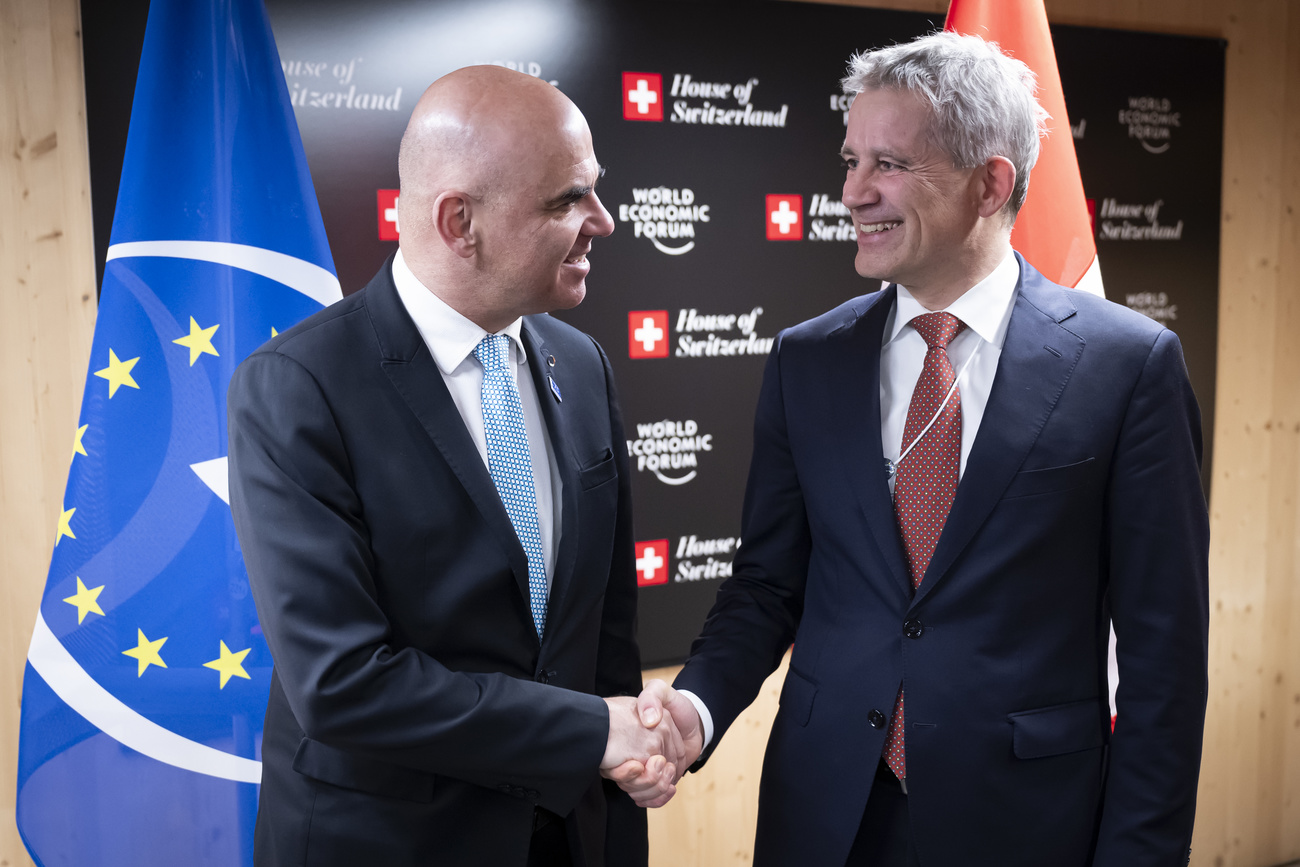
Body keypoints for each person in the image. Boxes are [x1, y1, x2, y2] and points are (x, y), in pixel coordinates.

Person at [626, 32, 1210, 867]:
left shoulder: (1129, 366)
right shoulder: (807, 358)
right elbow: (765, 586)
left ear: (991, 182)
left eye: (889, 164)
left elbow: (1163, 660)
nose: (853, 192)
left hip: (1028, 823)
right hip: (825, 815)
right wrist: (696, 708)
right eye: (850, 159)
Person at [228, 66, 681, 867]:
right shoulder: (298, 387)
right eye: (565, 200)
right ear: (459, 221)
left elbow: (604, 633)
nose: (602, 222)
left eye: (595, 191)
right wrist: (593, 730)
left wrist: (631, 754)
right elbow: (341, 683)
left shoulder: (583, 366)